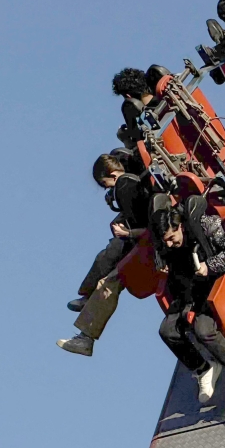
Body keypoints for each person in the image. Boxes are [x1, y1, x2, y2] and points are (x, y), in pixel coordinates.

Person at [153, 195, 225, 407]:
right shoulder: (166, 246)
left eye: (172, 237)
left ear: (180, 226)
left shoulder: (207, 226)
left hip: (215, 286)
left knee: (204, 330)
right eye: (165, 240)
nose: (170, 243)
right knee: (168, 331)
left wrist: (209, 265)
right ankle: (203, 369)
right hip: (188, 291)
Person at [56, 153, 153, 356]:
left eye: (107, 185)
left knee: (108, 284)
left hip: (147, 245)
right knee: (106, 257)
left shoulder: (126, 186)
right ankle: (87, 298)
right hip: (138, 239)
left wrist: (128, 233)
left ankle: (86, 338)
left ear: (112, 175)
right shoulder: (131, 182)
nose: (109, 190)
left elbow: (147, 226)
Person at [112, 67, 159, 144]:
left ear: (128, 96)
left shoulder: (148, 120)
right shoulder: (168, 99)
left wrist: (125, 139)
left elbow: (138, 145)